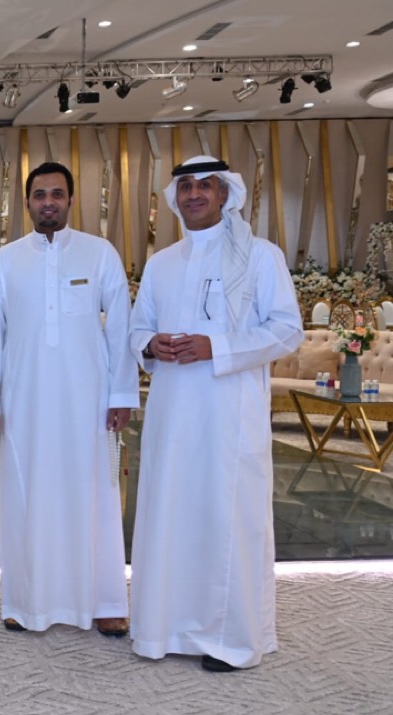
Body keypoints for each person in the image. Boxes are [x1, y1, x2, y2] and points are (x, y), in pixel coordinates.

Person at [128, 156, 303, 672]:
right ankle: (162, 629)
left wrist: (217, 347)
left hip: (230, 413)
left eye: (205, 185)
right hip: (172, 414)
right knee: (170, 514)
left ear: (225, 194)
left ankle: (231, 640)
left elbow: (286, 330)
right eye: (185, 186)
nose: (194, 194)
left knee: (228, 519)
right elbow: (137, 329)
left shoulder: (261, 257)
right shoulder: (162, 263)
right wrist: (151, 344)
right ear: (174, 196)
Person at [0, 161, 138, 636]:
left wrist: (122, 393)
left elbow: (120, 329)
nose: (48, 202)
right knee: (27, 497)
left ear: (70, 200)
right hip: (23, 401)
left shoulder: (99, 253)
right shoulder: (7, 260)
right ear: (26, 203)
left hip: (88, 401)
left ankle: (106, 601)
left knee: (94, 494)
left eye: (57, 194)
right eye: (40, 194)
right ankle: (26, 601)